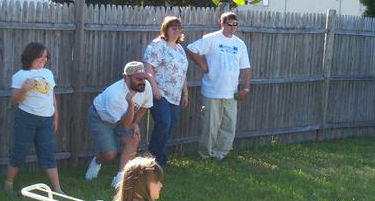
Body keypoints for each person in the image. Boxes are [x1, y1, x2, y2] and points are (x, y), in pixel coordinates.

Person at [185, 12, 251, 161]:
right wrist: (203, 65)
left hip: (231, 92)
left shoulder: (239, 44)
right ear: (222, 24)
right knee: (210, 126)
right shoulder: (212, 39)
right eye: (229, 24)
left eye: (235, 24)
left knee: (229, 126)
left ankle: (221, 154)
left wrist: (246, 88)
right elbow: (190, 49)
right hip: (212, 91)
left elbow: (246, 67)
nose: (232, 27)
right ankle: (206, 155)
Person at [4, 42, 63, 194]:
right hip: (26, 119)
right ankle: (8, 185)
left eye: (46, 56)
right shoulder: (20, 75)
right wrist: (24, 89)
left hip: (46, 120)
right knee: (20, 151)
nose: (44, 59)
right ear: (31, 56)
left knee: (48, 153)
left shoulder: (48, 73)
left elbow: (51, 95)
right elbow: (15, 99)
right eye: (40, 56)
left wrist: (56, 116)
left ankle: (57, 189)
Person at [85, 61, 153, 188]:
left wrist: (135, 123)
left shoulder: (146, 87)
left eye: (144, 78)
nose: (143, 82)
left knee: (133, 139)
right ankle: (97, 161)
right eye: (138, 79)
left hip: (123, 118)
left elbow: (145, 106)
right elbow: (124, 126)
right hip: (101, 118)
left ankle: (120, 178)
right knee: (110, 155)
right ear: (126, 78)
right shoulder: (115, 94)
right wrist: (131, 105)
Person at [143, 16, 189, 167]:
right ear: (165, 29)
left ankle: (158, 158)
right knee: (164, 122)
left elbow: (182, 73)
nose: (176, 32)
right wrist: (154, 89)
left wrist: (185, 93)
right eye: (173, 28)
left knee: (169, 125)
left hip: (175, 95)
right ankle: (153, 158)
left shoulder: (179, 48)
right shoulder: (157, 45)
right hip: (160, 92)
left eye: (178, 29)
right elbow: (148, 67)